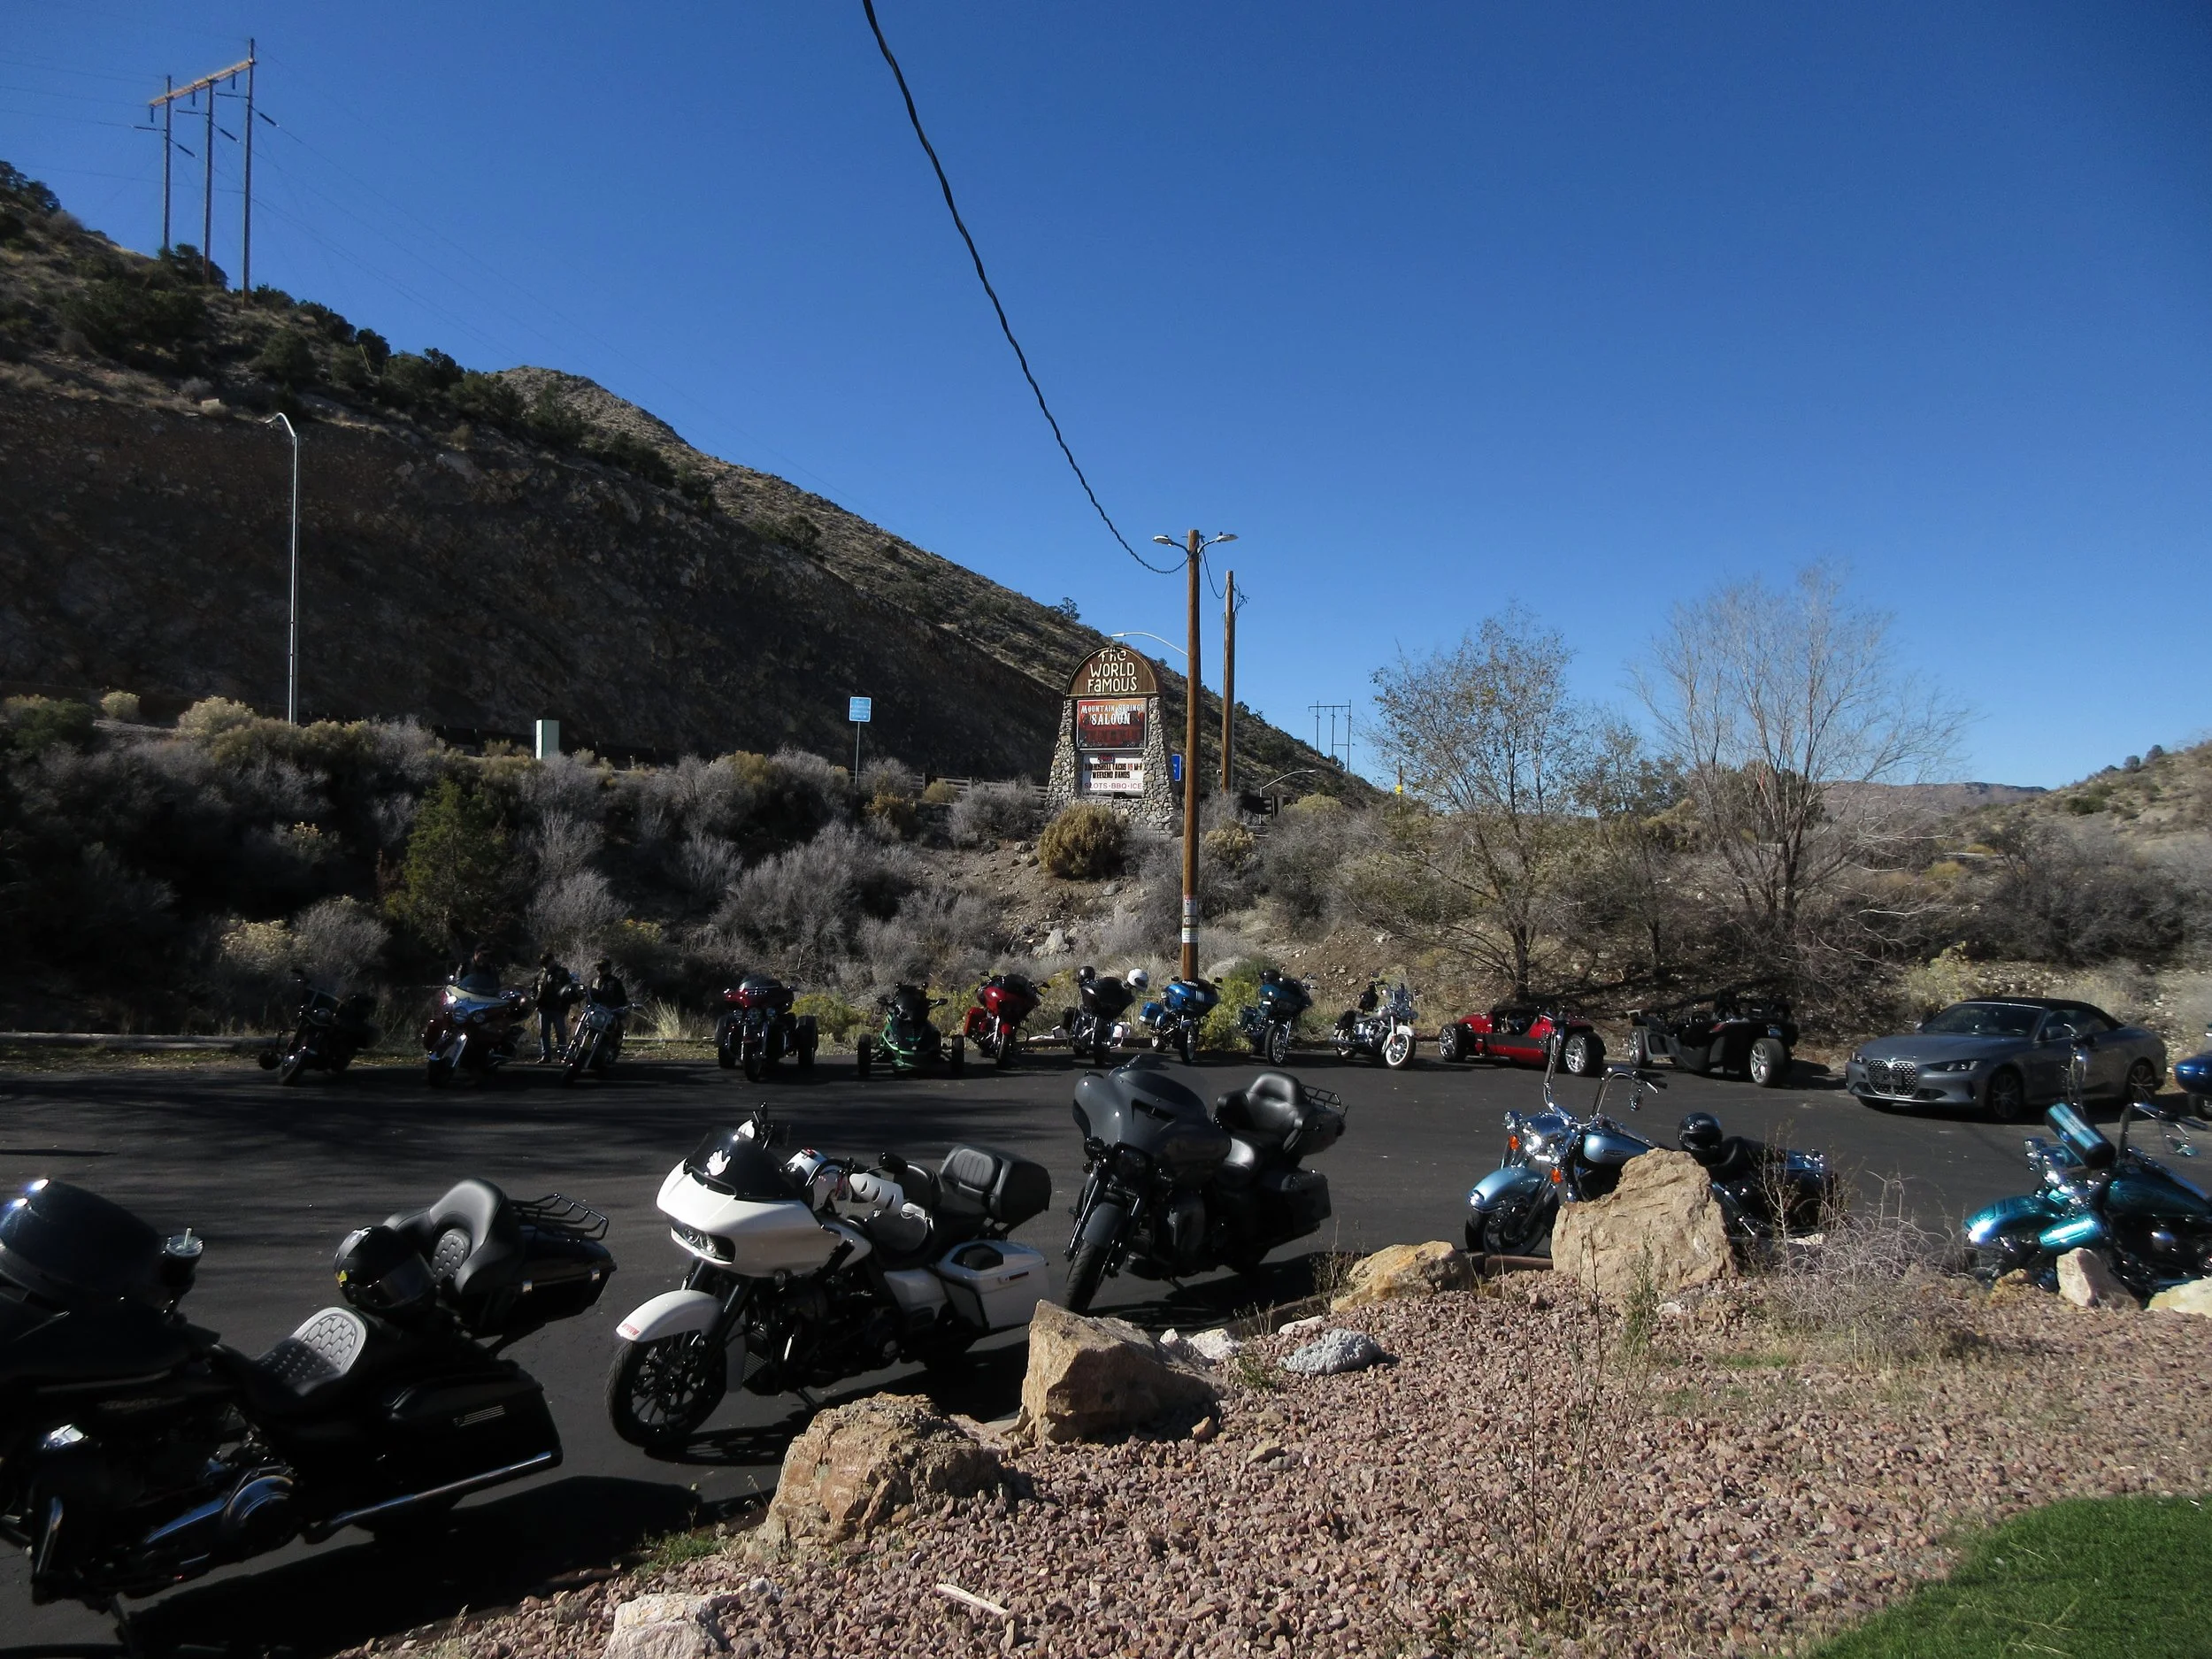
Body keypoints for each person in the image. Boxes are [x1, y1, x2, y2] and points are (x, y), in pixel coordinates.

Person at [533, 950, 575, 1064]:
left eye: (547, 962)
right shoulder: (540, 974)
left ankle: (562, 1056)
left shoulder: (562, 973)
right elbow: (535, 989)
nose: (545, 965)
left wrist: (566, 1007)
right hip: (544, 1008)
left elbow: (569, 991)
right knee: (544, 1033)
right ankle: (545, 1056)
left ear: (552, 961)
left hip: (558, 1008)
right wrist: (535, 1002)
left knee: (560, 1033)